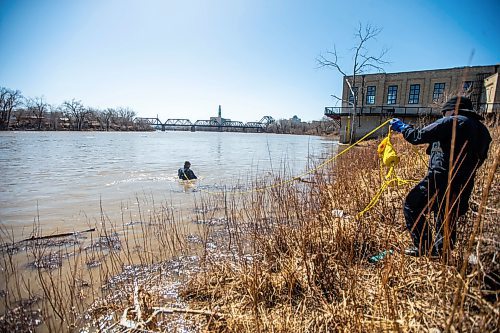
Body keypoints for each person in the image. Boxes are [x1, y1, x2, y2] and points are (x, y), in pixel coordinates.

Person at [390, 96, 491, 257]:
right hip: (465, 181)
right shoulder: (484, 131)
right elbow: (481, 159)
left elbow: (418, 136)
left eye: (444, 113)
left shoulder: (452, 121)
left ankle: (424, 248)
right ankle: (441, 253)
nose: (443, 116)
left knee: (412, 205)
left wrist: (403, 127)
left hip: (441, 178)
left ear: (452, 110)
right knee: (445, 215)